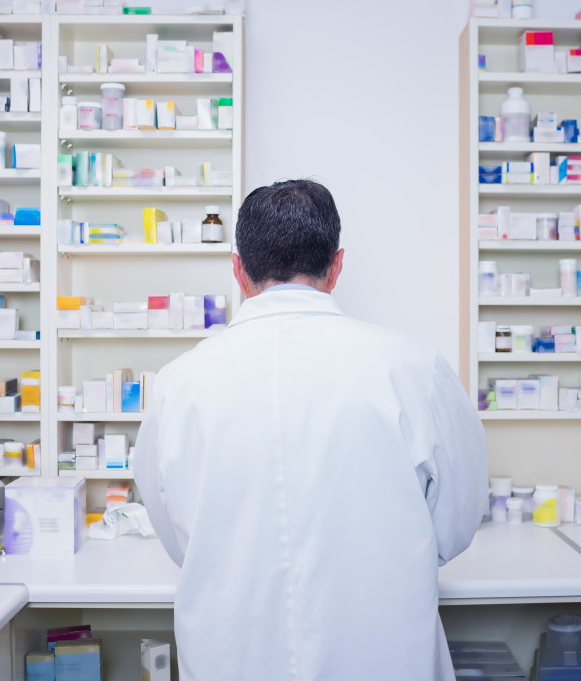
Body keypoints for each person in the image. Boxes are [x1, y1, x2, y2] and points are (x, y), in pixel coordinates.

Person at [134, 179, 487, 680]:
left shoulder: (178, 383)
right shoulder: (413, 368)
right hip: (382, 657)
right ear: (337, 266)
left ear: (238, 271)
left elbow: (176, 537)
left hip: (232, 657)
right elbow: (457, 521)